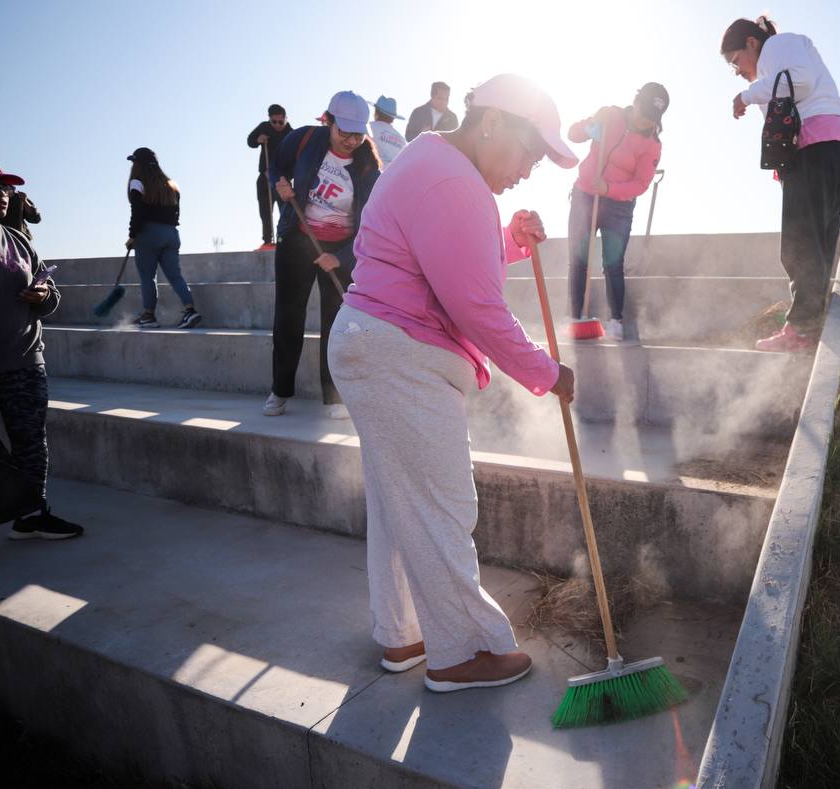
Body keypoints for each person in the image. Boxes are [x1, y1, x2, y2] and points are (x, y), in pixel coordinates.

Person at [328, 73, 577, 691]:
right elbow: (477, 308)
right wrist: (548, 372)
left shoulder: (433, 161)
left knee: (399, 502)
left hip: (372, 345)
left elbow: (444, 254)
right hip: (400, 355)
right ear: (491, 122)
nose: (527, 170)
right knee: (443, 507)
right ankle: (461, 651)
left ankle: (403, 635)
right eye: (527, 152)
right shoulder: (455, 182)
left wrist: (508, 242)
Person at [722, 15, 840, 352]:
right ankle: (812, 325)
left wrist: (746, 95)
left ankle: (800, 330)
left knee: (799, 246)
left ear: (752, 43)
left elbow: (799, 83)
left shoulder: (777, 45)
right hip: (837, 148)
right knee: (818, 243)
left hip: (815, 150)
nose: (737, 70)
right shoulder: (782, 54)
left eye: (736, 60)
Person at [265, 90, 381, 419]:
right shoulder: (303, 140)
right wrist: (280, 185)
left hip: (339, 248)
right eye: (344, 131)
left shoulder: (369, 169)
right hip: (298, 240)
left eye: (358, 133)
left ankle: (333, 396)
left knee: (336, 324)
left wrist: (342, 258)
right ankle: (279, 390)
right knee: (288, 318)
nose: (351, 140)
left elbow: (370, 227)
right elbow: (276, 167)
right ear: (328, 122)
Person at [0, 164, 83, 539]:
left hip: (23, 358)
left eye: (5, 189)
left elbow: (51, 297)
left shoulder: (18, 240)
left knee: (30, 440)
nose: (2, 194)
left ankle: (32, 513)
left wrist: (44, 296)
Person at [566, 82, 668, 342]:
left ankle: (616, 320)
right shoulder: (610, 116)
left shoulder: (652, 145)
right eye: (644, 114)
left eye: (652, 119)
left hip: (619, 206)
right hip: (585, 196)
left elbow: (640, 184)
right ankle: (576, 318)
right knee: (578, 258)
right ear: (635, 104)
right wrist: (592, 125)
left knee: (613, 263)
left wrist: (609, 187)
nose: (647, 123)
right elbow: (573, 134)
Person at [126, 148, 201, 330]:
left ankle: (149, 316)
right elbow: (176, 213)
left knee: (147, 277)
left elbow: (138, 212)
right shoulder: (171, 184)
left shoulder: (137, 182)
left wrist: (132, 235)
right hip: (171, 234)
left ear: (137, 164)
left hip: (149, 234)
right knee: (175, 276)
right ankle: (190, 311)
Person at [247, 103, 293, 250]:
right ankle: (268, 241)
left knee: (285, 210)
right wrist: (258, 139)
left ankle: (283, 240)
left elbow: (296, 159)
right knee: (265, 210)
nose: (278, 125)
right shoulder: (264, 127)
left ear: (286, 119)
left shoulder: (291, 134)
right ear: (269, 119)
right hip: (264, 176)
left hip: (281, 179)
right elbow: (250, 141)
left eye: (281, 122)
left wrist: (286, 177)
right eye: (274, 122)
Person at [367, 95, 407, 169]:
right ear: (393, 118)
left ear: (376, 112)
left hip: (375, 173)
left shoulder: (369, 127)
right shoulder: (401, 139)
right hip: (396, 176)